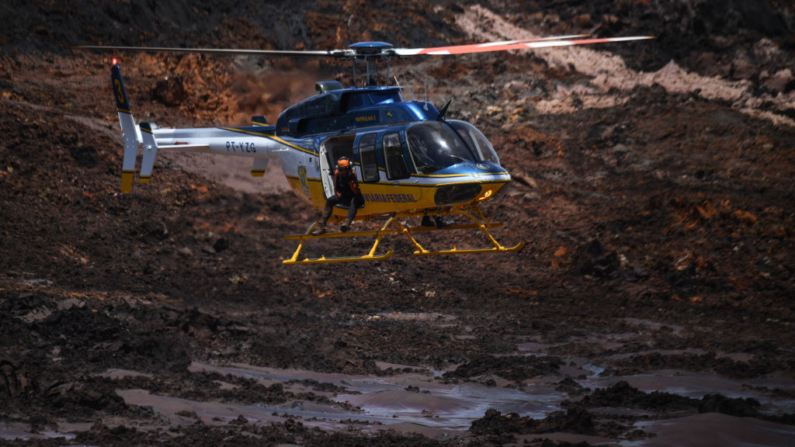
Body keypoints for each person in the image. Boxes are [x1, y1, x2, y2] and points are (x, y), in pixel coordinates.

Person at [311, 157, 364, 235]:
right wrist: (339, 195)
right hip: (344, 195)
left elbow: (356, 192)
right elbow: (336, 187)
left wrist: (351, 182)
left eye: (346, 169)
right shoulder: (337, 173)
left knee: (354, 200)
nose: (344, 172)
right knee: (330, 200)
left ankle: (346, 223)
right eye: (342, 170)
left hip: (356, 196)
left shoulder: (354, 174)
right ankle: (321, 226)